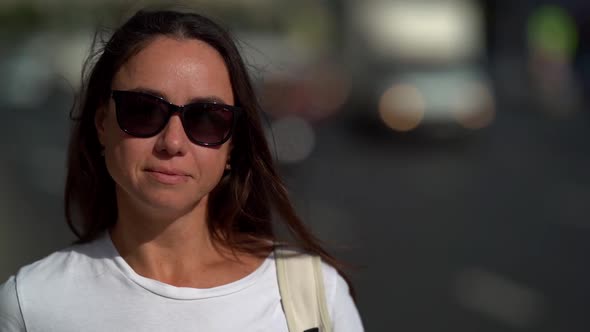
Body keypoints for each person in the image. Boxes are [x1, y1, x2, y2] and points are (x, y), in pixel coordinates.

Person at [0, 8, 363, 332]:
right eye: (143, 110)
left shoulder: (315, 296)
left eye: (206, 119)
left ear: (233, 142)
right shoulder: (32, 303)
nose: (172, 142)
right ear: (101, 122)